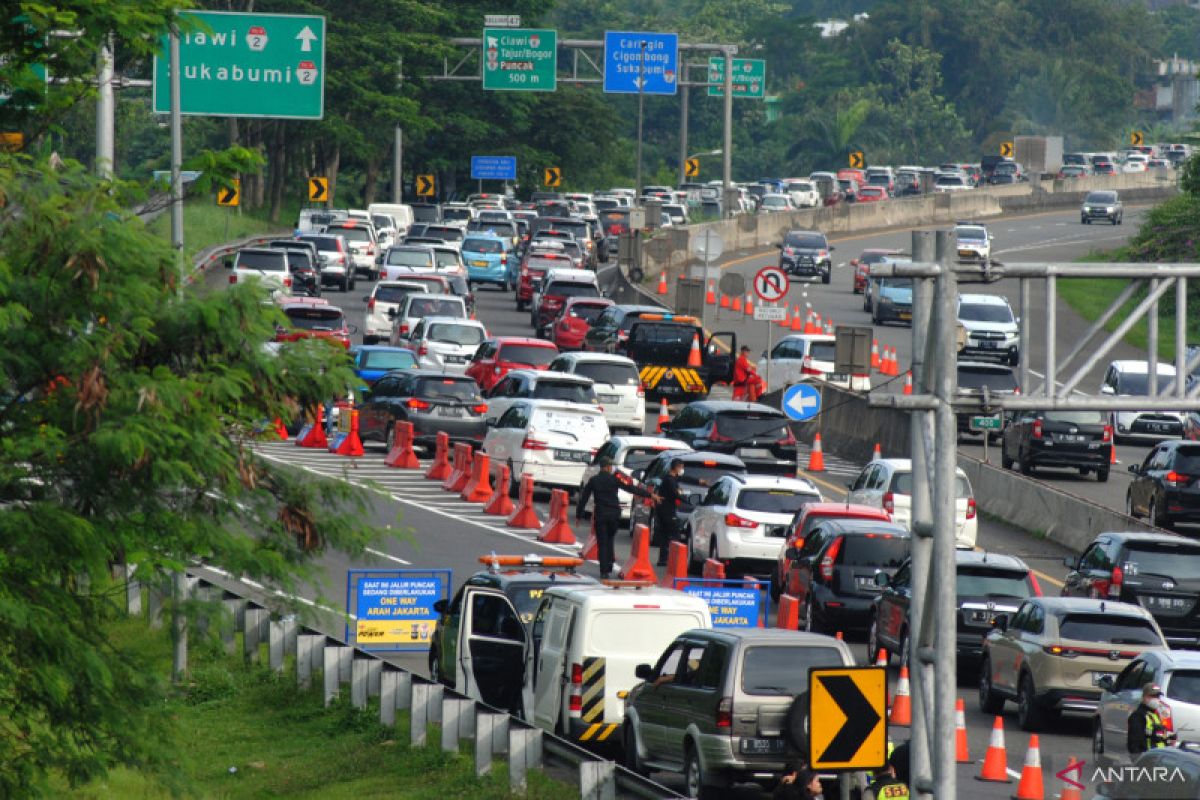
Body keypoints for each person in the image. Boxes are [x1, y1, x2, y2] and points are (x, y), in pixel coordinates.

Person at [576, 457, 656, 578]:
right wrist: (650, 495)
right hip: (614, 514)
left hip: (601, 514)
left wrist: (578, 515)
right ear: (608, 467)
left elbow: (584, 498)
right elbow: (631, 488)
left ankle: (604, 571)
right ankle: (609, 563)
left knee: (602, 542)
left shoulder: (594, 480)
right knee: (610, 539)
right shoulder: (614, 479)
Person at [653, 459, 687, 566]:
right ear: (676, 467)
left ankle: (663, 559)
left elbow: (684, 478)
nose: (682, 470)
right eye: (681, 467)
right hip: (667, 511)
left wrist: (699, 481)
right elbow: (675, 494)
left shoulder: (670, 478)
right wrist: (686, 498)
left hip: (662, 510)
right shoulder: (670, 480)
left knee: (664, 535)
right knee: (674, 534)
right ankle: (672, 558)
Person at [1127, 683, 1176, 754]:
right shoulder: (1138, 716)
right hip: (1147, 759)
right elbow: (1134, 744)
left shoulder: (1154, 715)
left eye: (1158, 696)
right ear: (1144, 697)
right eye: (1153, 696)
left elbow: (1157, 736)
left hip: (1158, 757)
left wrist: (1169, 738)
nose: (1156, 699)